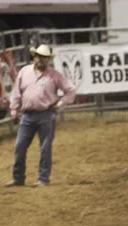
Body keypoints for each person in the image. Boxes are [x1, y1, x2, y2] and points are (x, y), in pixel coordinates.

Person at [5, 44, 76, 187]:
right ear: (35, 57)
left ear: (48, 59)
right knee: (20, 146)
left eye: (45, 58)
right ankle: (18, 178)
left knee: (45, 148)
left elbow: (71, 90)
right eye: (40, 57)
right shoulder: (25, 72)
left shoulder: (54, 75)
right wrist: (14, 109)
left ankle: (43, 179)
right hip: (27, 115)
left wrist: (60, 103)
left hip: (46, 114)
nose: (41, 60)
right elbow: (17, 92)